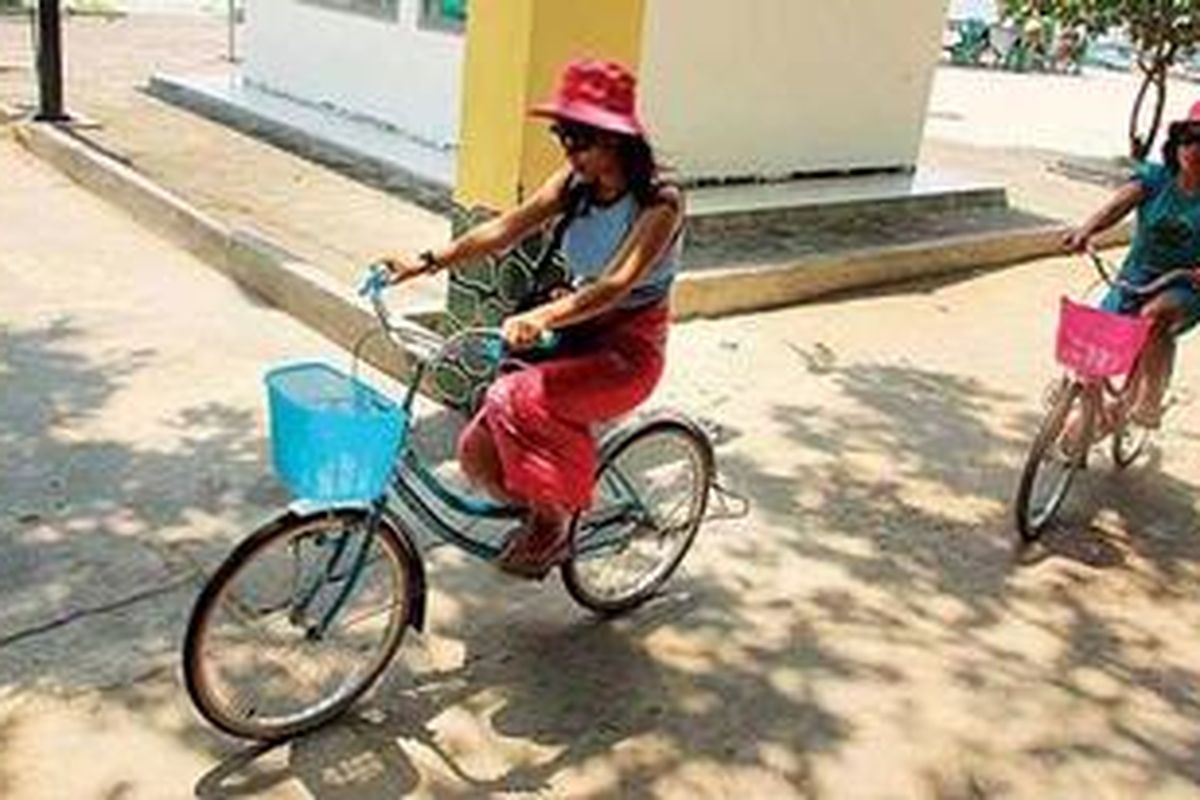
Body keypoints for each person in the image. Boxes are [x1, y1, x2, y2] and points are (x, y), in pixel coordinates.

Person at [379, 58, 683, 577]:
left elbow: (613, 287)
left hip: (626, 353)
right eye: (562, 137)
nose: (569, 151)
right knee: (477, 454)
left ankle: (554, 523)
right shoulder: (574, 183)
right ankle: (550, 501)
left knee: (512, 396)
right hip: (574, 335)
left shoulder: (660, 204)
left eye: (579, 140)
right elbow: (505, 229)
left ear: (614, 140)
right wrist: (424, 261)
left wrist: (542, 316)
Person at [1063, 100, 1200, 433]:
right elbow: (1117, 205)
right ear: (1176, 141)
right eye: (1188, 137)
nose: (1194, 148)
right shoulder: (1155, 178)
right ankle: (1093, 413)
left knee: (1155, 317)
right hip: (1135, 276)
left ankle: (1150, 400)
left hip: (1186, 284)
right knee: (1096, 346)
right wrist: (1086, 230)